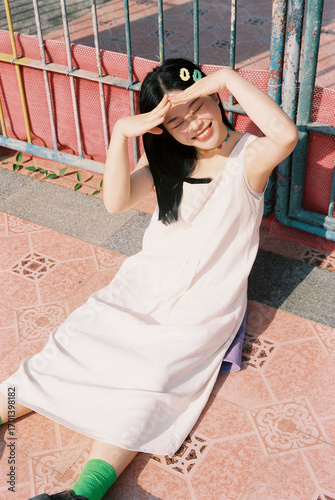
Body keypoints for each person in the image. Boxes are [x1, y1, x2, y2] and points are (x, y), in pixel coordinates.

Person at [0, 58, 298, 500]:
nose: (193, 125)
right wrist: (123, 131)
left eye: (198, 107)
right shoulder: (171, 160)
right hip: (145, 281)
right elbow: (116, 202)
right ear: (164, 130)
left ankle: (82, 493)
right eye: (176, 122)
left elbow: (287, 135)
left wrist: (225, 77)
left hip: (204, 301)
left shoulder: (249, 156)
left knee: (153, 379)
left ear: (217, 97)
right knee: (72, 348)